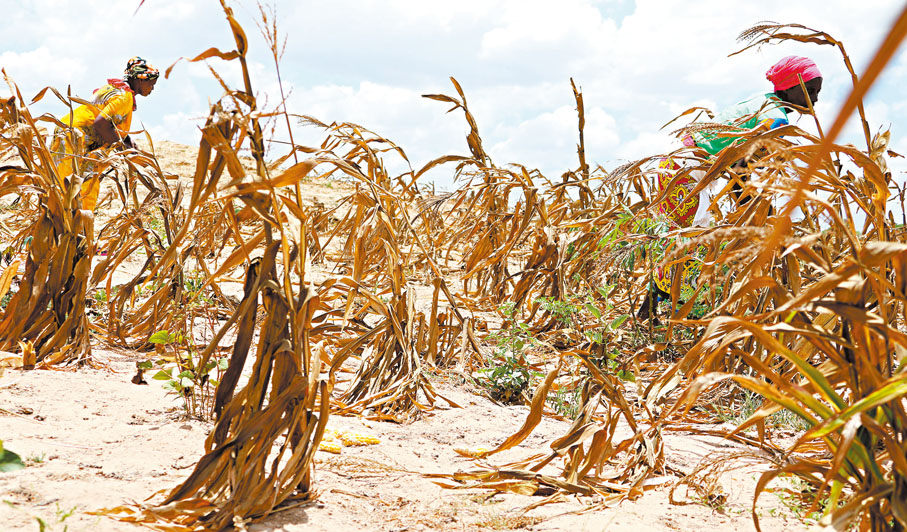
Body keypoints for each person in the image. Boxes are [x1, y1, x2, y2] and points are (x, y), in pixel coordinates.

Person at [638, 56, 823, 321]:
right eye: (810, 91)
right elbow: (741, 169)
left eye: (817, 92)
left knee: (682, 242)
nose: (815, 99)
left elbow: (740, 166)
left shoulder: (761, 102)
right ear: (790, 87)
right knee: (691, 243)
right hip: (687, 171)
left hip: (677, 166)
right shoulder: (776, 120)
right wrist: (758, 218)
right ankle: (672, 317)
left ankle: (655, 314)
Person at [52, 57, 159, 211]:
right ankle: (76, 229)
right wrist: (122, 149)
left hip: (68, 136)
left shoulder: (115, 89)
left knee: (66, 190)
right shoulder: (124, 97)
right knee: (74, 192)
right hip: (73, 141)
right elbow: (101, 123)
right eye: (151, 83)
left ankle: (71, 229)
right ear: (140, 80)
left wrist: (126, 139)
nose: (152, 88)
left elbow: (107, 119)